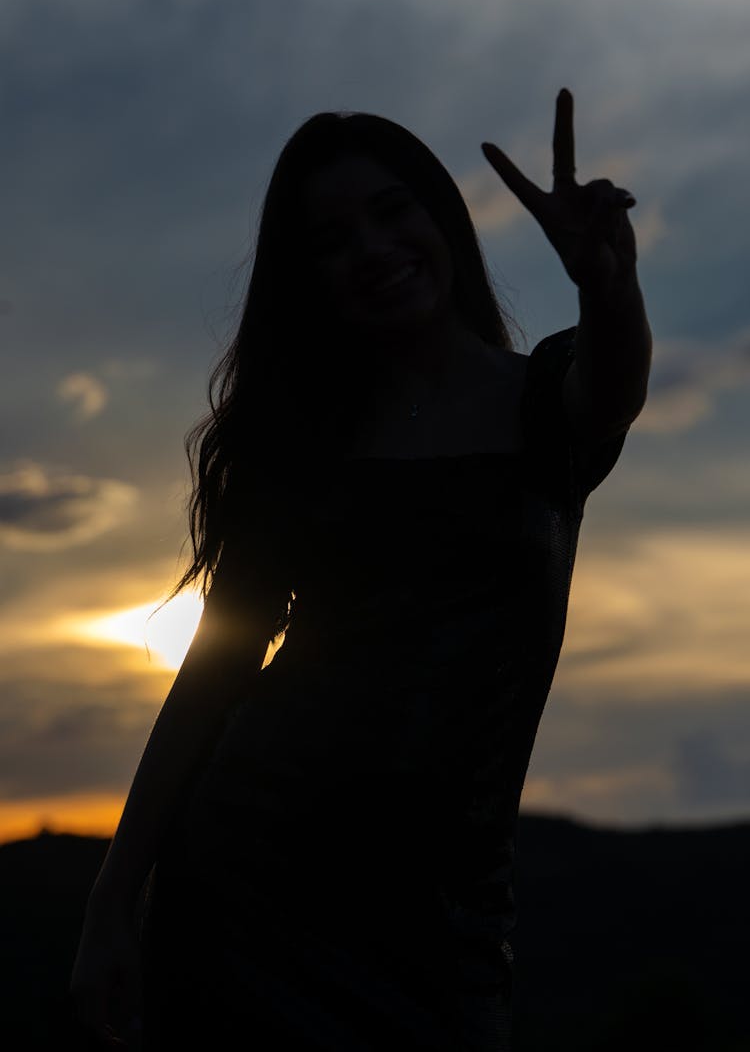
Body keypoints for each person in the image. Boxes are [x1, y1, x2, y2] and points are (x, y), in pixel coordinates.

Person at [70, 89, 651, 1051]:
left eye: (391, 212)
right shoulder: (298, 442)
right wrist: (111, 896)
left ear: (441, 220)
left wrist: (607, 281)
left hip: (447, 917)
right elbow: (218, 664)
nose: (372, 250)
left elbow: (615, 382)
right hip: (247, 889)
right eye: (331, 240)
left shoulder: (543, 402)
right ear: (310, 277)